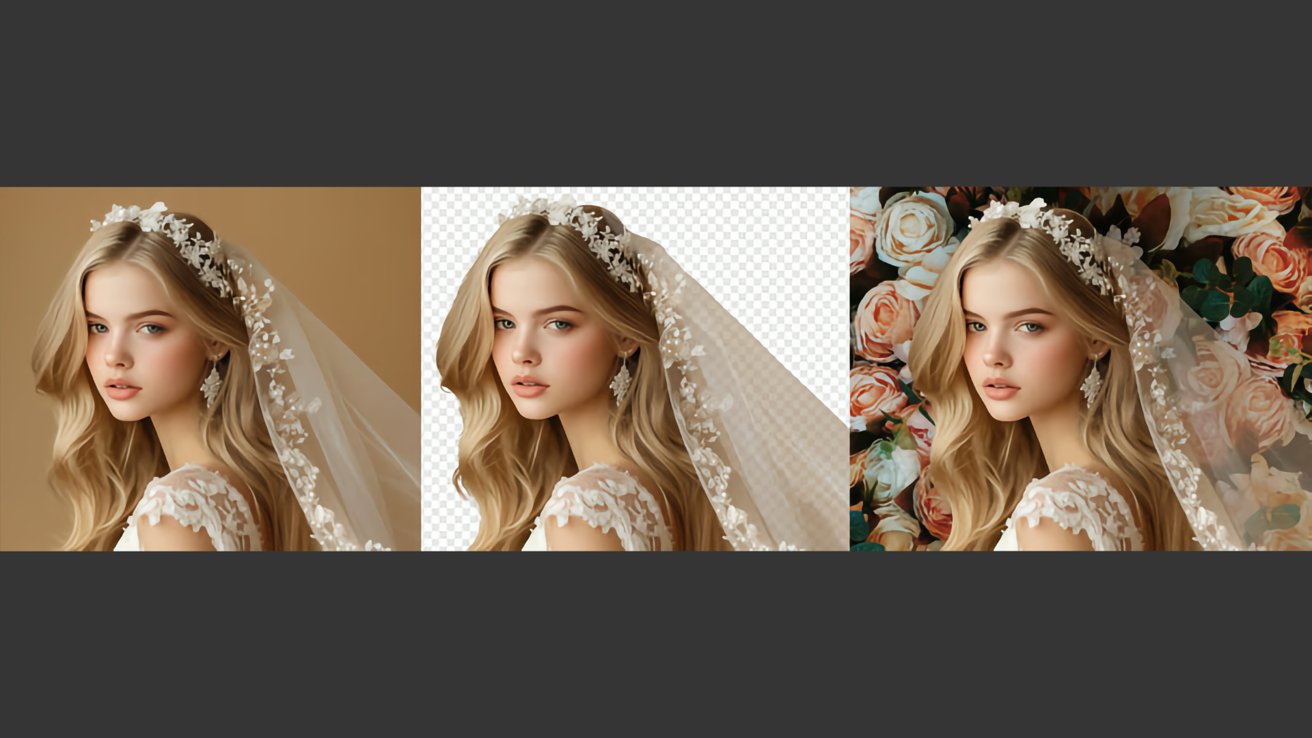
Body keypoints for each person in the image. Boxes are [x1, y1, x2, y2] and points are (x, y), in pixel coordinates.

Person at [437, 197, 846, 551]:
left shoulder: (582, 513)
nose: (522, 353)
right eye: (504, 323)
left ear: (624, 336)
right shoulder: (664, 489)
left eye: (558, 324)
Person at [32, 202, 420, 551]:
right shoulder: (252, 489)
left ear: (214, 339)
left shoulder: (175, 512)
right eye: (97, 327)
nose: (114, 356)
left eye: (150, 328)